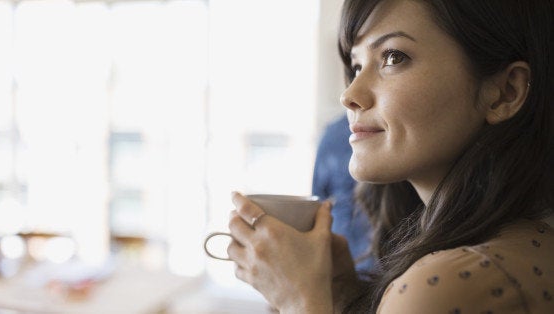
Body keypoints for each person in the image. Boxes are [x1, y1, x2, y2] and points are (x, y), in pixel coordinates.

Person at [224, 0, 554, 313]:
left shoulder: (442, 287)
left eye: (393, 57)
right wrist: (341, 295)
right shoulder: (529, 242)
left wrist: (300, 300)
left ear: (505, 92)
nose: (349, 95)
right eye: (355, 66)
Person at [312, 114, 373, 271]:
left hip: (382, 260)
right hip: (341, 257)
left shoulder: (333, 133)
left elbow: (318, 198)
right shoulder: (333, 133)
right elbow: (318, 201)